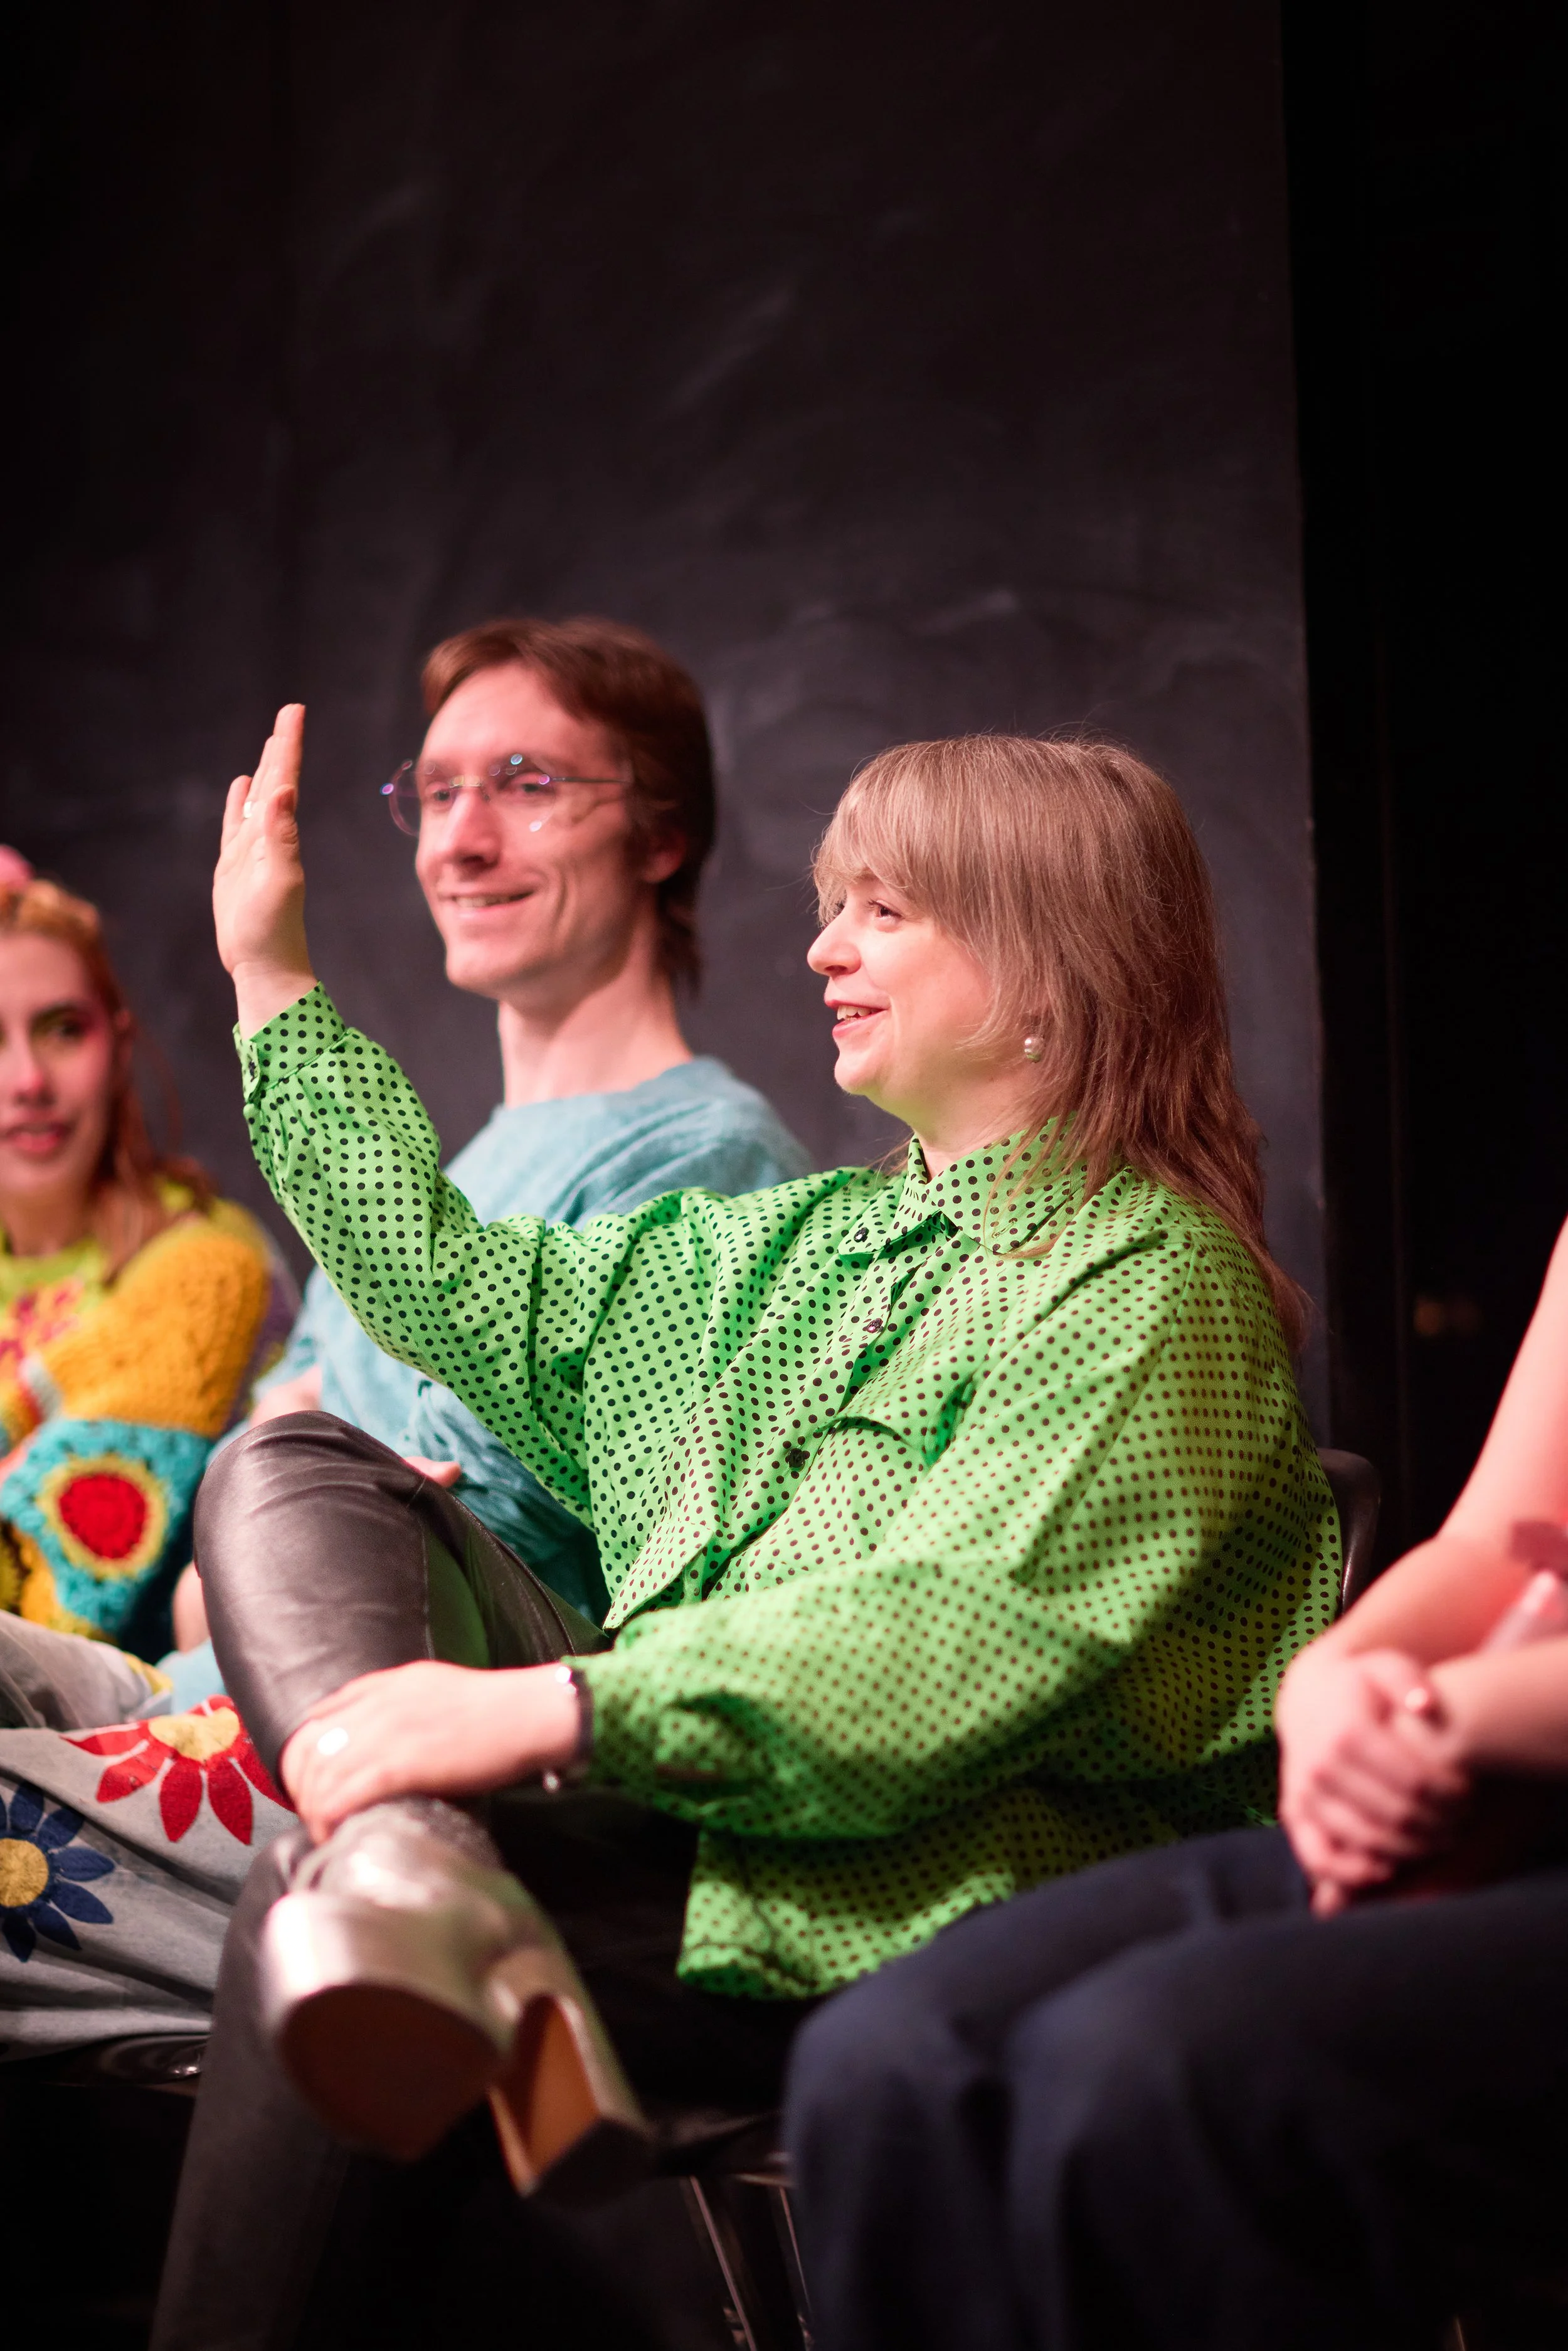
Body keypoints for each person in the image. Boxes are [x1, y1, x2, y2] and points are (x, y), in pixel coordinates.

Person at [147, 721, 1337, 2348]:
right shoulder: (804, 1249)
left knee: (316, 1898)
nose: (822, 946)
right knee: (294, 1465)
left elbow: (951, 1629)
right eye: (835, 903)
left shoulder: (1147, 1281)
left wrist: (547, 1704)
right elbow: (442, 1282)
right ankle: (414, 1862)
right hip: (698, 1834)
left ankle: (404, 1877)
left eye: (885, 911)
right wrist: (269, 969)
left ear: (1056, 961)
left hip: (919, 1911)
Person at [0, 614, 807, 2052]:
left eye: (526, 783)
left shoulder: (705, 1160)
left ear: (662, 835)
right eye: (436, 791)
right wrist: (314, 1490)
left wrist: (313, 1488)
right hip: (191, 1698)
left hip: (390, 1790)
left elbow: (456, 1546)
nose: (464, 837)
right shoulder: (429, 1175)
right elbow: (236, 1543)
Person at [783, 1228, 1568, 2351]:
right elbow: (1502, 1542)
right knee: (890, 2056)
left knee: (1149, 2070)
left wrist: (1458, 1719)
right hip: (1474, 1772)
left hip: (1492, 1758)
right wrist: (1335, 1678)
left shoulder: (1156, 1276)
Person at [0, 867, 284, 1665]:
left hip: (113, 1726)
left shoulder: (206, 1265)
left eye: (62, 1029)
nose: (27, 1081)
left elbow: (61, 1616)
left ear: (119, 1045)